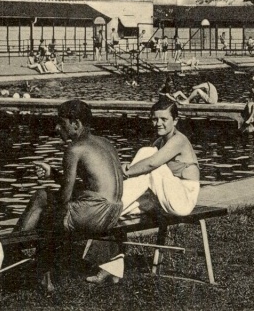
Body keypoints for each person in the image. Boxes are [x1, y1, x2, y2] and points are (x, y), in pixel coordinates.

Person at [85, 99, 199, 283]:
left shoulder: (179, 140)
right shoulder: (160, 141)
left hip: (183, 199)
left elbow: (152, 164)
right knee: (117, 211)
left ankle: (107, 201)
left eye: (164, 119)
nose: (158, 123)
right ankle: (111, 267)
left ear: (175, 121)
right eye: (154, 119)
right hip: (162, 197)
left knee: (147, 154)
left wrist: (126, 171)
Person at [14, 100, 124, 290]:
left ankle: (13, 253)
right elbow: (91, 188)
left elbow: (65, 198)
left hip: (94, 214)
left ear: (76, 124)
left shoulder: (75, 149)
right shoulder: (105, 143)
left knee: (41, 196)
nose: (57, 128)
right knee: (47, 205)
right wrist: (54, 174)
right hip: (113, 212)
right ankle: (23, 257)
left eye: (61, 123)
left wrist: (45, 198)